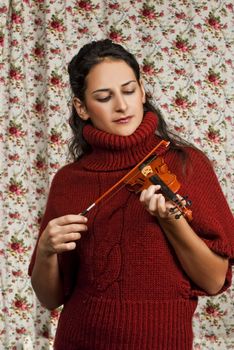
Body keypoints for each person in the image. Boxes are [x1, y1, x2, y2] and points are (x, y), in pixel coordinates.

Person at [28, 39, 234, 350]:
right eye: (103, 97)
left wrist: (171, 221)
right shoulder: (68, 180)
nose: (122, 106)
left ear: (142, 92)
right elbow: (50, 298)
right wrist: (45, 250)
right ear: (82, 107)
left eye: (128, 90)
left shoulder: (185, 164)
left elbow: (214, 280)